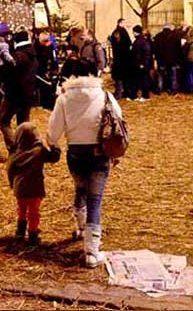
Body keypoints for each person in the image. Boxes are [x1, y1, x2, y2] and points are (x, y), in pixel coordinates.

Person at [48, 58, 122, 268]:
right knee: (95, 200)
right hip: (100, 152)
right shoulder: (105, 96)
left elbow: (54, 128)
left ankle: (80, 227)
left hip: (76, 152)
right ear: (93, 73)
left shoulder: (64, 98)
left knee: (80, 188)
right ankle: (91, 251)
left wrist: (50, 143)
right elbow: (118, 120)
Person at [7, 123, 60, 246]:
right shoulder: (39, 151)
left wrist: (12, 184)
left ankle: (20, 232)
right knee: (33, 212)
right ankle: (32, 234)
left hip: (19, 189)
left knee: (21, 209)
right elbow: (54, 157)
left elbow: (10, 169)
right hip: (35, 189)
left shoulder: (15, 153)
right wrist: (55, 146)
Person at [0, 31, 38, 152]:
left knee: (3, 121)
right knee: (23, 124)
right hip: (28, 94)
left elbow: (7, 72)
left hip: (14, 94)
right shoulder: (33, 55)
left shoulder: (18, 56)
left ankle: (14, 148)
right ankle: (26, 150)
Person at [153, 24, 179, 95]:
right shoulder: (175, 36)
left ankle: (159, 89)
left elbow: (154, 48)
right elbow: (178, 49)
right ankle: (173, 90)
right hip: (172, 60)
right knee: (173, 75)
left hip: (161, 60)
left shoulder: (158, 36)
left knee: (160, 75)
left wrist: (156, 57)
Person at [109, 19, 132, 99]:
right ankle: (124, 92)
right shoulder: (122, 32)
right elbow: (128, 43)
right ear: (120, 23)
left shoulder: (114, 32)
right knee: (124, 77)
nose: (125, 24)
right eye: (124, 23)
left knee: (119, 77)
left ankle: (119, 92)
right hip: (124, 58)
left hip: (118, 58)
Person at [34, 31, 57, 110]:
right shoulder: (36, 47)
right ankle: (41, 103)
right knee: (41, 87)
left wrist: (53, 68)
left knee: (47, 87)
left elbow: (53, 58)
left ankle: (47, 104)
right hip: (39, 70)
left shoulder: (50, 47)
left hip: (47, 69)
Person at [130, 25, 152, 101]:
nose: (132, 33)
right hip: (138, 64)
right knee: (138, 80)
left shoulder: (141, 41)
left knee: (143, 80)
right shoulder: (140, 40)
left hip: (140, 64)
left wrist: (143, 63)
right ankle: (135, 96)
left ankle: (145, 96)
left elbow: (146, 53)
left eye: (133, 31)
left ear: (136, 32)